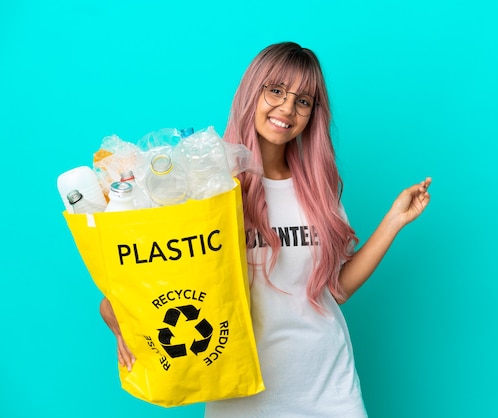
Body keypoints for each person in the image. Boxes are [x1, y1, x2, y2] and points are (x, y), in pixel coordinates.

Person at [100, 41, 431, 417]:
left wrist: (394, 221)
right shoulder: (207, 186)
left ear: (312, 114)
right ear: (251, 93)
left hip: (331, 390)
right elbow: (143, 287)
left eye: (303, 101)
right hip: (241, 396)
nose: (287, 109)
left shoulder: (318, 191)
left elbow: (334, 291)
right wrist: (118, 318)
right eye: (275, 91)